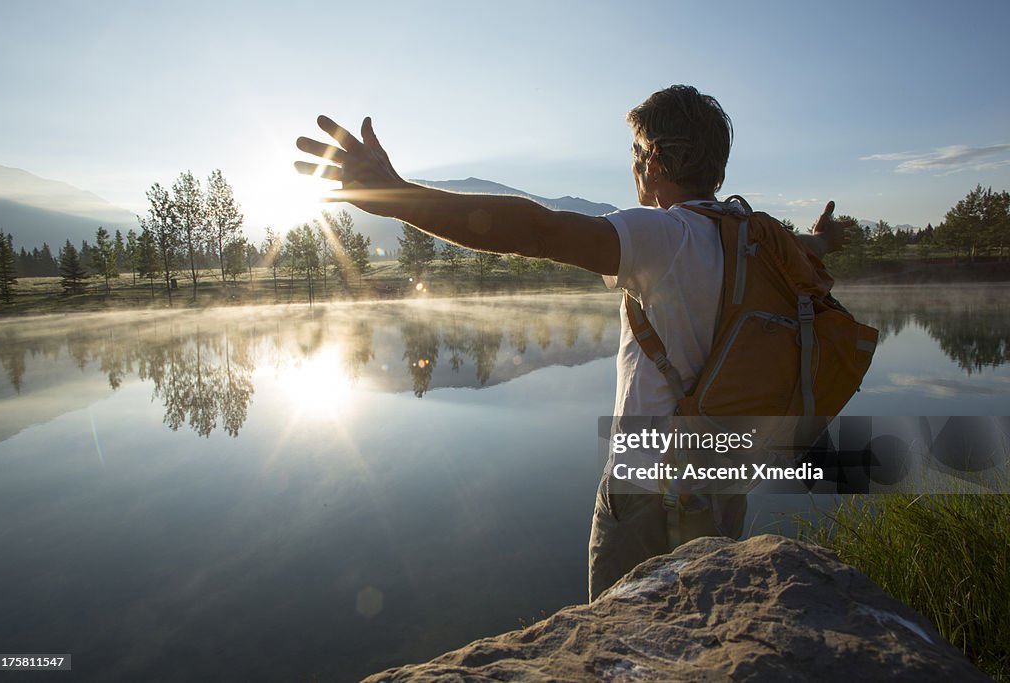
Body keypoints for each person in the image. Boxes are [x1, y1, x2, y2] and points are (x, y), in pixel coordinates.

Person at [294, 85, 852, 601]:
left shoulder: (663, 237)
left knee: (621, 644)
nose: (633, 165)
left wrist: (394, 196)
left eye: (636, 152)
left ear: (654, 160)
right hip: (721, 484)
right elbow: (808, 248)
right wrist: (823, 239)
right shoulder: (758, 235)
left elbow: (538, 230)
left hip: (645, 492)